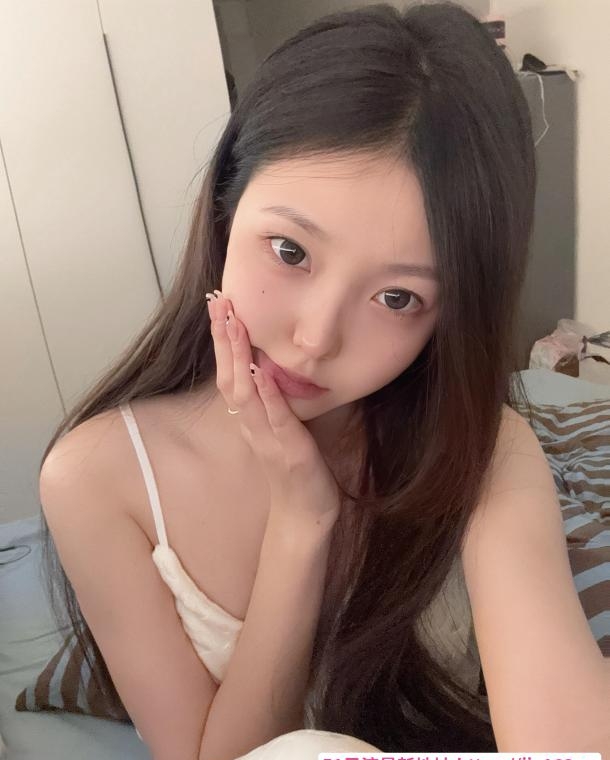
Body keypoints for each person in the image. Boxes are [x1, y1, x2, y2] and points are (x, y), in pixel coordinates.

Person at [38, 3, 609, 760]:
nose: (315, 340)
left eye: (398, 298)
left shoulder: (481, 447)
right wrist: (301, 519)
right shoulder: (96, 477)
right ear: (224, 210)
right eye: (290, 251)